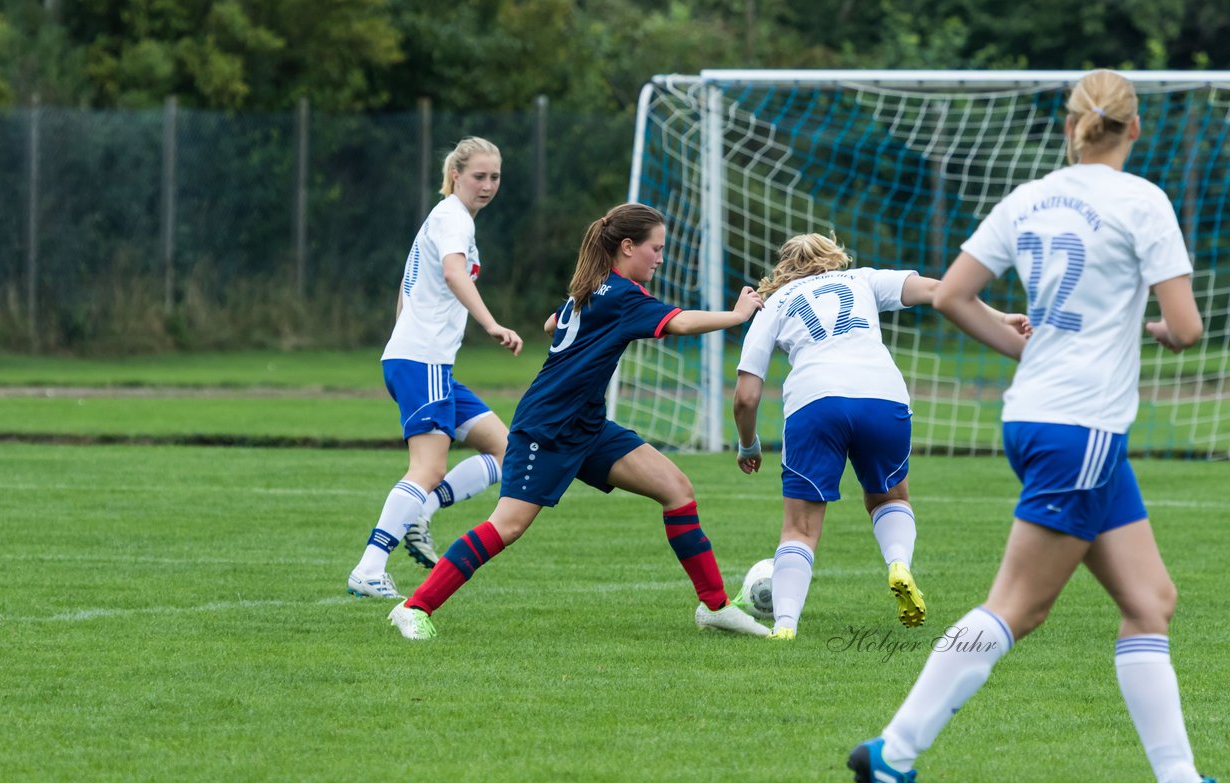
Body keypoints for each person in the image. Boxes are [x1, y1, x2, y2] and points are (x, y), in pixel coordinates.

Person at [849, 69, 1222, 783]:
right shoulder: (1142, 201)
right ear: (1134, 128)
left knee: (1150, 601)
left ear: (1068, 125)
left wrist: (1030, 353)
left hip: (1043, 420)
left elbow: (953, 294)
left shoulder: (1029, 198)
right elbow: (1187, 330)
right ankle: (895, 747)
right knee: (1021, 605)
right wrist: (1145, 332)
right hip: (1080, 426)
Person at [387, 202, 770, 640]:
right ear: (627, 247)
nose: (661, 257)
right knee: (507, 525)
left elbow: (553, 323)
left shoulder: (593, 288)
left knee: (677, 490)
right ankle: (414, 607)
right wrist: (739, 315)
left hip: (586, 424)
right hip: (548, 427)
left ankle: (715, 606)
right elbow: (679, 323)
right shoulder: (622, 296)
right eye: (655, 248)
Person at [731, 233, 1029, 640]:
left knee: (800, 529)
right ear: (834, 259)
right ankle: (898, 564)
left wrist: (748, 444)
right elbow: (939, 290)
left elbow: (746, 397)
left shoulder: (775, 303)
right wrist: (1000, 317)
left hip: (815, 400)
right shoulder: (863, 280)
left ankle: (785, 626)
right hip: (882, 394)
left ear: (785, 268)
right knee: (889, 497)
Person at [347, 137, 522, 599]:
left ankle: (421, 512)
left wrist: (405, 336)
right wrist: (489, 323)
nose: (487, 185)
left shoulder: (447, 218)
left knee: (510, 450)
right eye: (478, 176)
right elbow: (451, 272)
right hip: (421, 361)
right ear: (455, 176)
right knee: (427, 467)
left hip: (427, 362)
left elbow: (407, 287)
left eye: (495, 177)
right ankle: (369, 567)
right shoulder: (451, 218)